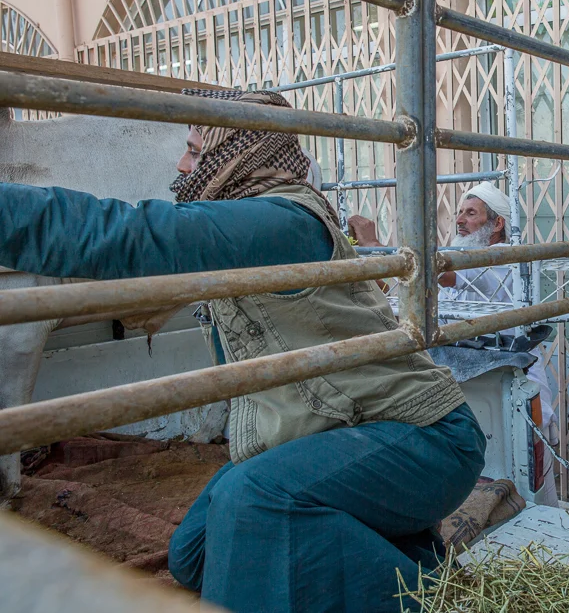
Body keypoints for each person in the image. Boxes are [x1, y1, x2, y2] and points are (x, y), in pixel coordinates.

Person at [0, 90, 485, 613]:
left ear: (237, 155)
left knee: (249, 502)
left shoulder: (282, 221)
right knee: (194, 554)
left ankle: (433, 602)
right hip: (338, 431)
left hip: (422, 438)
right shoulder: (251, 223)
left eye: (193, 149)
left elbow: (133, 237)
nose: (182, 164)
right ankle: (409, 561)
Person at [349, 182, 560, 505]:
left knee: (527, 485)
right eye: (460, 212)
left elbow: (436, 273)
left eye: (471, 213)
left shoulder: (503, 258)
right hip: (469, 380)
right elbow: (416, 294)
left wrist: (374, 244)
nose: (460, 219)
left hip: (513, 381)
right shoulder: (457, 258)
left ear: (497, 223)